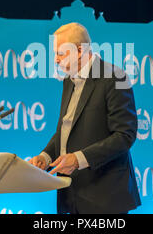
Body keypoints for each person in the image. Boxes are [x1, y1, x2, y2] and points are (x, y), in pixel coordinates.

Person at [29, 22, 141, 214]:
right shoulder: (68, 81)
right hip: (70, 194)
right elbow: (66, 129)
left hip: (105, 197)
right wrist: (46, 157)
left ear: (79, 51)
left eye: (60, 53)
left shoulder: (116, 77)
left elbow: (125, 135)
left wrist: (79, 159)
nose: (55, 60)